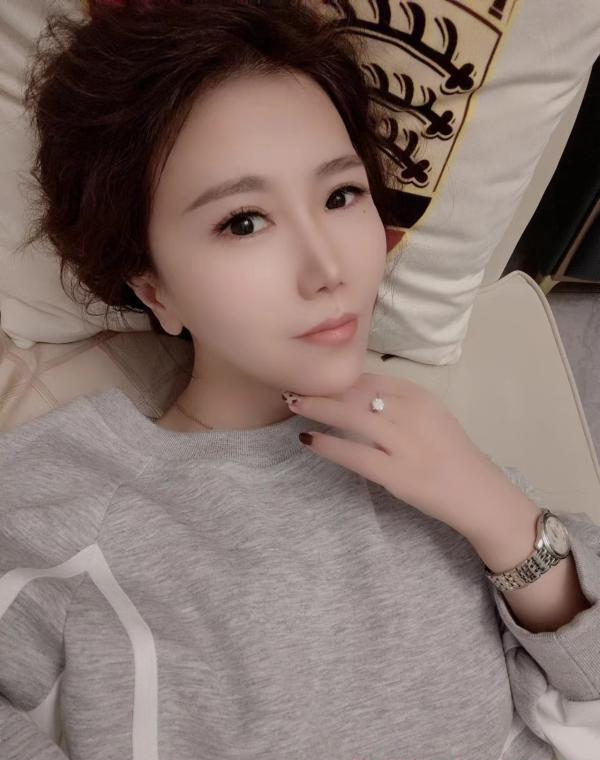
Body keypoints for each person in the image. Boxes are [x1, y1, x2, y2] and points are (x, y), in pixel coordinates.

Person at [1, 2, 599, 759]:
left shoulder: (433, 446)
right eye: (244, 222)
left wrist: (497, 513)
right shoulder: (76, 494)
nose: (327, 269)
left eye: (341, 196)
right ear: (155, 290)